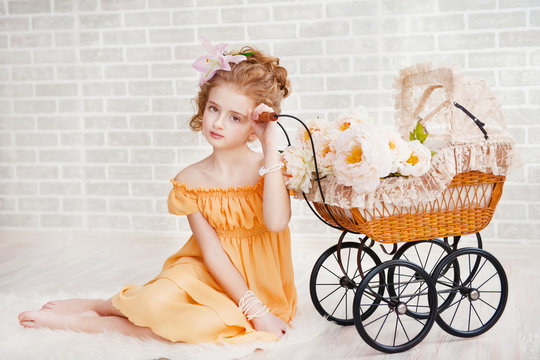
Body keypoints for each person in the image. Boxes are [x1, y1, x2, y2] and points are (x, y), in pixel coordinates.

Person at [18, 37, 296, 344]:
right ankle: (101, 305)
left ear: (254, 123)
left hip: (259, 286)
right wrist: (253, 311)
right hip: (204, 270)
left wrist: (270, 145)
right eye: (213, 108)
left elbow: (275, 223)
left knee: (196, 326)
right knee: (153, 302)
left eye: (235, 117)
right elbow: (214, 255)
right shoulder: (191, 179)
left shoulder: (270, 168)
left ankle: (82, 324)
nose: (217, 123)